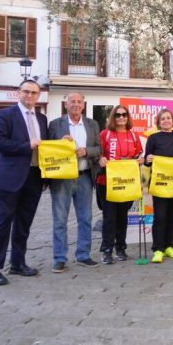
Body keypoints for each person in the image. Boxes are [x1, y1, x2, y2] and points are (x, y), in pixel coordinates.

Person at [0, 79, 47, 286]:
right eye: (26, 92)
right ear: (18, 93)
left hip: (34, 176)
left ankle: (18, 263)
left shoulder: (42, 118)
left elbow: (45, 146)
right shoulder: (4, 115)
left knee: (23, 224)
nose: (30, 96)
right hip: (9, 178)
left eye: (34, 93)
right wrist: (26, 145)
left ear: (39, 96)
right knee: (1, 223)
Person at [48, 92, 102, 273]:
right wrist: (61, 143)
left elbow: (99, 149)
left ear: (83, 105)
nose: (76, 104)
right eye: (72, 101)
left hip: (85, 176)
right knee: (60, 219)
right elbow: (48, 149)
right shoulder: (55, 124)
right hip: (62, 178)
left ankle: (83, 255)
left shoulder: (92, 124)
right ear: (65, 104)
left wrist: (86, 151)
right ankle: (59, 258)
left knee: (85, 218)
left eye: (79, 102)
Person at [97, 105, 144, 265]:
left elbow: (139, 154)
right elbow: (97, 153)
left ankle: (121, 248)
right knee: (109, 218)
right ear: (113, 117)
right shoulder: (105, 134)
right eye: (117, 115)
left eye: (124, 115)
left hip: (127, 182)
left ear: (128, 117)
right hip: (107, 182)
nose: (121, 118)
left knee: (122, 217)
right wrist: (100, 159)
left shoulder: (133, 135)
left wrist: (140, 159)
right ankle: (107, 250)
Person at [144, 109, 173, 264]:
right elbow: (146, 160)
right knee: (160, 217)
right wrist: (148, 158)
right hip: (159, 184)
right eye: (163, 119)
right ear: (158, 122)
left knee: (172, 216)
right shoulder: (153, 138)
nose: (166, 120)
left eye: (168, 118)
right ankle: (157, 249)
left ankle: (169, 246)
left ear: (172, 120)